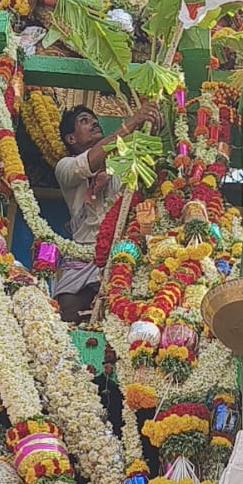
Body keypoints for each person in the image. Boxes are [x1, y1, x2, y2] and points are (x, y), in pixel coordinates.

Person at [54, 101, 160, 324]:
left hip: (121, 251)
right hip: (83, 254)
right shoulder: (65, 167)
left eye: (94, 120)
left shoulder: (124, 164)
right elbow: (89, 162)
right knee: (68, 309)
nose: (94, 123)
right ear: (71, 138)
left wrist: (151, 132)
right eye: (84, 121)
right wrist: (131, 124)